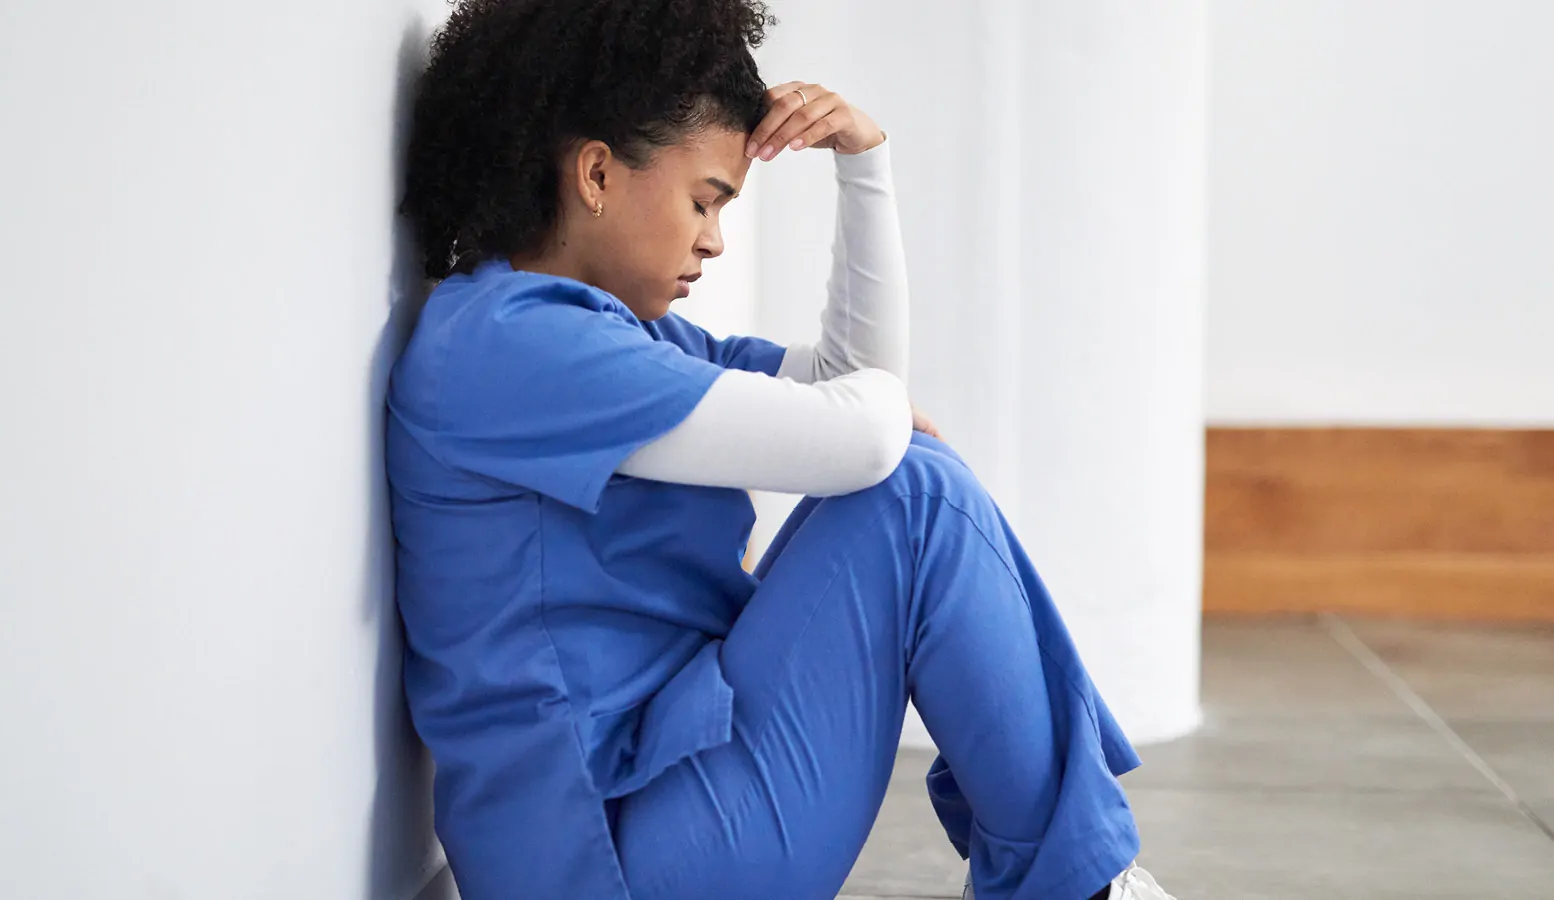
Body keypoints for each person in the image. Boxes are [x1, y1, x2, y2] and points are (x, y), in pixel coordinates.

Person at [387, 2, 1178, 899]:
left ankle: (1080, 882)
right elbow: (867, 434)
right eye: (703, 200)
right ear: (597, 174)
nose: (714, 240)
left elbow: (856, 388)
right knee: (919, 497)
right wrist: (875, 416)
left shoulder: (611, 336)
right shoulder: (515, 347)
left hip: (656, 799)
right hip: (608, 859)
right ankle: (1082, 885)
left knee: (913, 486)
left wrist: (863, 164)